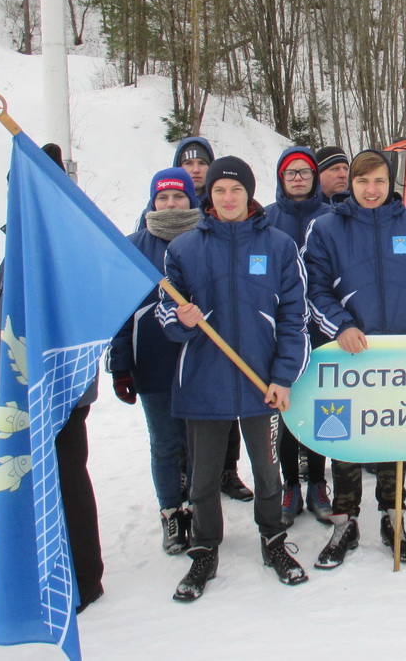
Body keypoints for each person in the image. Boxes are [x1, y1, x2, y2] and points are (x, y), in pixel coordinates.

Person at [158, 157, 310, 599]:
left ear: (249, 193)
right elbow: (166, 312)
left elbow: (294, 317)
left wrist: (283, 376)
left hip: (261, 382)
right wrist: (182, 319)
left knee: (267, 470)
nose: (228, 198)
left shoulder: (279, 246)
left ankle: (273, 538)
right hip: (203, 382)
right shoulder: (184, 248)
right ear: (209, 196)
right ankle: (205, 547)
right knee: (204, 477)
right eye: (220, 190)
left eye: (236, 190)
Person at [302, 150, 406, 568]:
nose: (371, 190)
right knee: (344, 439)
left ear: (392, 184)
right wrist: (340, 326)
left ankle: (393, 517)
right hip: (348, 358)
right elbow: (314, 288)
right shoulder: (326, 228)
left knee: (393, 436)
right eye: (363, 181)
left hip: (399, 359)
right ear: (350, 183)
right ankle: (345, 521)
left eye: (380, 181)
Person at [0, 142, 105, 613]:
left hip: (60, 386)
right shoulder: (14, 242)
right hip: (19, 385)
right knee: (34, 478)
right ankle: (44, 565)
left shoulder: (69, 240)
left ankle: (82, 576)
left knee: (67, 475)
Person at [109, 167, 202, 554]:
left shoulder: (207, 240)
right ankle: (171, 512)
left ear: (191, 200)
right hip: (152, 360)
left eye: (178, 196)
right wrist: (119, 365)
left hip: (200, 361)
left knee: (198, 444)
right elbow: (119, 312)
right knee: (165, 442)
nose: (171, 204)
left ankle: (197, 508)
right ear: (152, 202)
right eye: (163, 197)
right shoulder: (133, 247)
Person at [173, 135, 253, 502]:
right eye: (188, 164)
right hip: (187, 346)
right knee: (181, 430)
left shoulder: (242, 222)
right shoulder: (178, 231)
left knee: (230, 414)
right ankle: (184, 485)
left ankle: (227, 470)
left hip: (236, 341)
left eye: (201, 163)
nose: (195, 170)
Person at [263, 147, 333, 526]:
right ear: (281, 178)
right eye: (291, 173)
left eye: (305, 172)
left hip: (321, 327)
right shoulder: (266, 219)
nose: (298, 178)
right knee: (287, 408)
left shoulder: (331, 217)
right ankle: (290, 484)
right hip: (281, 328)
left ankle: (318, 481)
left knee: (320, 407)